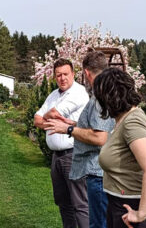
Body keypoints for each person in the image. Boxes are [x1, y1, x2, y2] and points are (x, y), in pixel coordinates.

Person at [45, 51, 115, 228]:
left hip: (96, 170)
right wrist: (75, 124)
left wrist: (68, 129)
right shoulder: (107, 94)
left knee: (94, 219)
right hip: (98, 170)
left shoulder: (100, 98)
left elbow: (100, 137)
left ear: (86, 73)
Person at [94, 68, 146, 228]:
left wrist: (141, 214)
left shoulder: (132, 122)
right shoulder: (123, 119)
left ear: (108, 97)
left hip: (132, 205)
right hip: (120, 202)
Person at [34, 58, 90, 228]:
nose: (62, 78)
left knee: (80, 203)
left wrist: (49, 117)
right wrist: (49, 120)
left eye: (66, 74)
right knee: (63, 202)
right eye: (58, 75)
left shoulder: (78, 93)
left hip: (73, 154)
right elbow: (37, 119)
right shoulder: (53, 95)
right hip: (57, 157)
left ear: (73, 74)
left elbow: (53, 112)